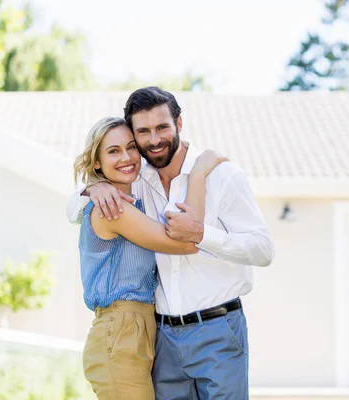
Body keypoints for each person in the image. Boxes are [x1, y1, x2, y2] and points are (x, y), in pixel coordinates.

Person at [68, 87, 275, 400]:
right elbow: (77, 208)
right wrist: (90, 191)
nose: (154, 140)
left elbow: (263, 249)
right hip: (161, 337)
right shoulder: (135, 178)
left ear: (179, 123)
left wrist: (203, 233)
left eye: (162, 127)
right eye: (144, 132)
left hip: (217, 327)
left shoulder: (222, 175)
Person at [74, 116, 227, 400]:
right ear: (96, 162)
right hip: (119, 334)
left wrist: (91, 187)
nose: (126, 157)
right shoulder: (114, 209)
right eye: (113, 151)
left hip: (138, 331)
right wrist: (197, 174)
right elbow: (186, 241)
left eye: (131, 147)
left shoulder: (134, 203)